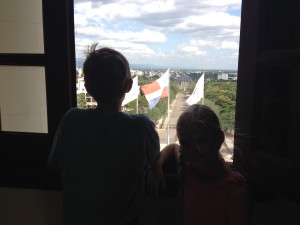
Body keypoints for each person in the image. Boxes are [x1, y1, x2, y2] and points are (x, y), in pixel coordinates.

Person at [48, 43, 160, 225]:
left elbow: (53, 164)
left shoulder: (71, 119)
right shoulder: (141, 127)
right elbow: (153, 160)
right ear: (128, 86)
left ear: (88, 89)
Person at [149, 104, 252, 225]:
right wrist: (157, 166)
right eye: (186, 143)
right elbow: (173, 148)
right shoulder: (189, 168)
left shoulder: (236, 193)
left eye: (200, 140)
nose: (193, 149)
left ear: (218, 139)